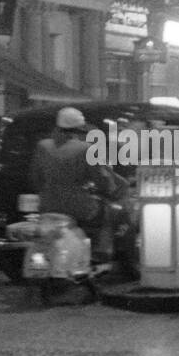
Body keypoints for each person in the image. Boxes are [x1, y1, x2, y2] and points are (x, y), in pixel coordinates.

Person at [29, 107, 124, 259]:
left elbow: (35, 178)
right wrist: (109, 189)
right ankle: (100, 252)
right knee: (109, 211)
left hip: (47, 205)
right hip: (77, 207)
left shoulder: (42, 146)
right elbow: (102, 180)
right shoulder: (87, 148)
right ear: (80, 129)